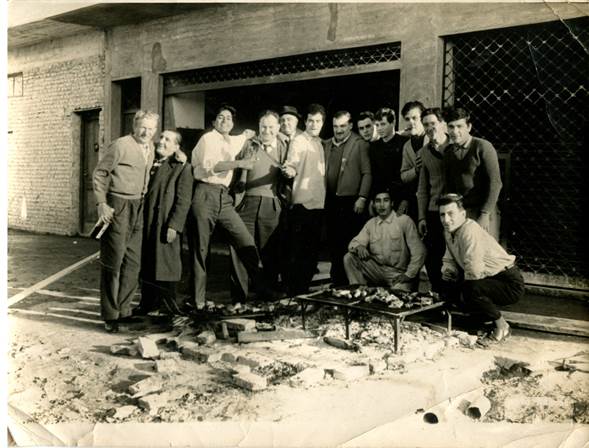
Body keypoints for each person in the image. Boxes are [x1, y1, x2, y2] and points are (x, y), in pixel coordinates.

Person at [189, 104, 267, 309]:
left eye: (229, 118)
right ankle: (197, 301)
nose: (225, 121)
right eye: (221, 117)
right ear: (213, 122)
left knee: (245, 240)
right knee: (201, 249)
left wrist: (250, 134)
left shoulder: (231, 140)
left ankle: (263, 291)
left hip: (224, 197)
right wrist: (240, 164)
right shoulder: (208, 138)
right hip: (205, 193)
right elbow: (212, 166)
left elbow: (243, 136)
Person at [93, 110, 159, 332]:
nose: (146, 132)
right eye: (143, 127)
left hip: (139, 206)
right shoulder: (120, 145)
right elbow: (100, 173)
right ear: (134, 126)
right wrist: (102, 203)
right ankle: (111, 315)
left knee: (132, 262)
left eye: (151, 129)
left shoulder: (150, 148)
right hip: (118, 204)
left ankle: (124, 311)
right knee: (114, 261)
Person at [438, 194, 523, 342]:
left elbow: (475, 271)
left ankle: (502, 326)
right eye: (442, 214)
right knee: (449, 286)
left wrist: (460, 289)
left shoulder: (469, 230)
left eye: (451, 214)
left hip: (508, 282)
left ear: (462, 214)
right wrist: (448, 271)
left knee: (470, 289)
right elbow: (449, 258)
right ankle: (481, 323)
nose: (446, 220)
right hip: (487, 279)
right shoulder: (449, 230)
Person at [229, 110, 289, 301]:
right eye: (263, 126)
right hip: (246, 202)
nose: (267, 131)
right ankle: (239, 297)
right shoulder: (249, 144)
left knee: (270, 251)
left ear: (278, 128)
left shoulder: (284, 146)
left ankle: (267, 295)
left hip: (271, 203)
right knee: (241, 247)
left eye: (271, 127)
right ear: (258, 127)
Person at [136, 130, 193, 315]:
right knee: (148, 262)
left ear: (176, 147)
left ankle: (167, 308)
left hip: (164, 223)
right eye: (161, 137)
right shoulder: (150, 162)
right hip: (146, 222)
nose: (161, 141)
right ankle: (147, 304)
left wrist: (174, 226)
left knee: (166, 264)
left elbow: (183, 200)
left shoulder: (182, 167)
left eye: (168, 140)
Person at [281, 103, 326, 295]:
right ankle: (294, 295)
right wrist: (289, 170)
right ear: (305, 122)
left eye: (318, 121)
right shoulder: (299, 141)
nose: (314, 124)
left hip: (319, 205)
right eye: (311, 121)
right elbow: (292, 164)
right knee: (298, 254)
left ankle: (303, 294)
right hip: (303, 205)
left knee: (311, 254)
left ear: (322, 123)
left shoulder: (321, 143)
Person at [323, 110, 372, 286]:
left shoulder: (359, 144)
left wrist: (362, 197)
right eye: (335, 126)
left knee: (349, 241)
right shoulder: (326, 144)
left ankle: (351, 283)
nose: (339, 130)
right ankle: (337, 281)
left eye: (343, 126)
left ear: (350, 126)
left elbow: (367, 173)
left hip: (351, 201)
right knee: (333, 242)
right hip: (330, 200)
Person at [344, 189, 426, 291]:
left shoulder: (404, 220)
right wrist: (359, 246)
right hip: (376, 271)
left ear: (392, 203)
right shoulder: (371, 223)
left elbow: (419, 251)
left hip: (397, 274)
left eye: (386, 200)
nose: (382, 205)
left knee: (397, 296)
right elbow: (354, 243)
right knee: (349, 258)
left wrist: (409, 274)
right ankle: (360, 291)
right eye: (378, 201)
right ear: (374, 205)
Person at [442, 107, 502, 239]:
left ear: (469, 127)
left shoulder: (483, 147)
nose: (455, 131)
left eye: (459, 126)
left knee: (484, 249)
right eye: (451, 127)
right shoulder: (448, 153)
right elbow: (449, 187)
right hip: (461, 212)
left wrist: (485, 214)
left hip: (484, 211)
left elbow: (496, 183)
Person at [417, 108, 450, 293]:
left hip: (454, 211)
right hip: (433, 211)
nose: (430, 128)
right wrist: (422, 217)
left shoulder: (455, 146)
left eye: (433, 123)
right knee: (433, 258)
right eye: (426, 125)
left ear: (442, 124)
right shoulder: (424, 152)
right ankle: (439, 294)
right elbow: (422, 189)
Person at [369, 107, 409, 213]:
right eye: (377, 125)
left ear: (393, 123)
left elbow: (408, 174)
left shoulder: (404, 143)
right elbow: (374, 175)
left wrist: (405, 199)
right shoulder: (374, 147)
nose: (379, 128)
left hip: (400, 196)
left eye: (383, 124)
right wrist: (372, 199)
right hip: (381, 199)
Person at [400, 101, 428, 222]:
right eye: (407, 119)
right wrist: (415, 170)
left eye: (415, 118)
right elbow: (404, 175)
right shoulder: (407, 146)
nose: (411, 122)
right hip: (415, 199)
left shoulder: (433, 139)